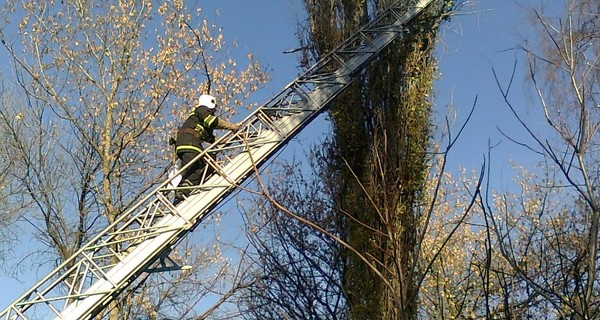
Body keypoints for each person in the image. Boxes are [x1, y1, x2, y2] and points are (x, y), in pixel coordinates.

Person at [173, 94, 240, 204]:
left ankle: (181, 194)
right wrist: (231, 126)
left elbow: (210, 138)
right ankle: (184, 190)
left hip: (185, 143)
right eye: (213, 110)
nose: (213, 112)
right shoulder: (202, 110)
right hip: (190, 143)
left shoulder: (197, 119)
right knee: (198, 165)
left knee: (202, 164)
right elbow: (212, 121)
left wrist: (226, 141)